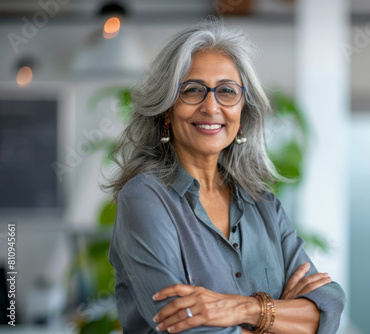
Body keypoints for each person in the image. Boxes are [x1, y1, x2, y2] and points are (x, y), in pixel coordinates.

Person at [106, 18, 346, 334]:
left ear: (242, 111)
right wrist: (279, 317)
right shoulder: (145, 199)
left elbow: (328, 307)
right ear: (166, 108)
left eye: (227, 91)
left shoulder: (264, 205)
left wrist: (245, 308)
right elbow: (183, 326)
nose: (211, 106)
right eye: (192, 90)